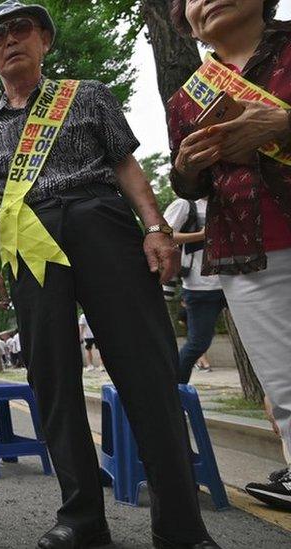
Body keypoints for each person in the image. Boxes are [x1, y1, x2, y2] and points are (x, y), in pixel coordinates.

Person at [0, 2, 218, 548]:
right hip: (28, 247)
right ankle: (81, 516)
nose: (10, 39)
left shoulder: (87, 94)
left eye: (22, 28)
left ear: (44, 41)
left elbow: (126, 163)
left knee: (147, 371)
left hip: (99, 221)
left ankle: (179, 524)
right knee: (52, 380)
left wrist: (155, 226)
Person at [168, 0, 291, 510]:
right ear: (187, 19)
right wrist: (188, 166)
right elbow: (186, 183)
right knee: (287, 388)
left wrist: (282, 125)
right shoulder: (185, 98)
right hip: (250, 251)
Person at [163, 198, 224, 383]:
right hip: (201, 287)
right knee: (198, 344)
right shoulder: (185, 205)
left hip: (236, 282)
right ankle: (176, 392)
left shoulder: (227, 200)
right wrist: (200, 235)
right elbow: (160, 231)